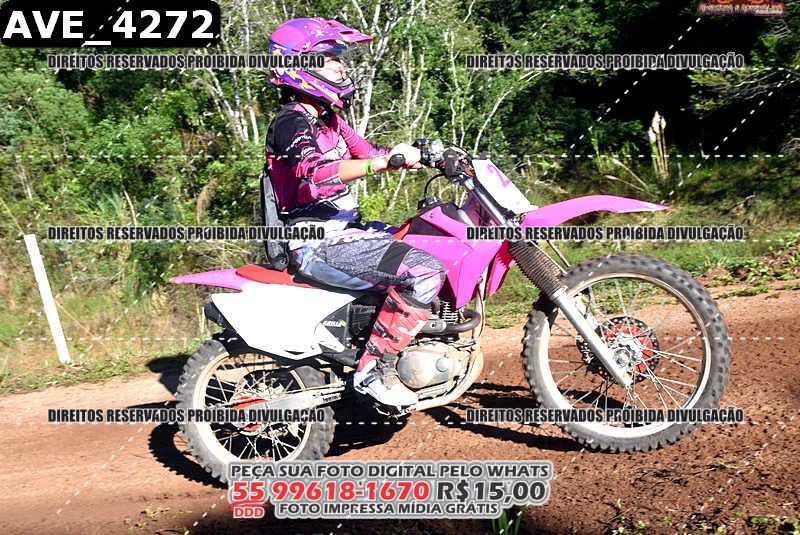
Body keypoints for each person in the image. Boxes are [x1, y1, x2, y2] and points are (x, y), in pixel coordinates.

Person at [264, 18, 447, 407]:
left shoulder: (329, 119)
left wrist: (424, 155)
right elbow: (314, 172)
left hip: (348, 231)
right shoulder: (289, 122)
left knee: (433, 237)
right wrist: (379, 165)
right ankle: (373, 370)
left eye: (338, 57)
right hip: (317, 242)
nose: (339, 64)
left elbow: (371, 152)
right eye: (329, 57)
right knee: (423, 270)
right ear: (298, 64)